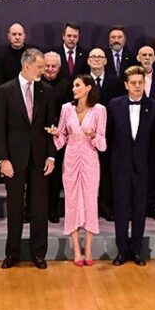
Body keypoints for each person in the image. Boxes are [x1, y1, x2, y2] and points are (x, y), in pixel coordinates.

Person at [0, 48, 56, 269]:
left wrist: (51, 156)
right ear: (27, 65)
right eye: (40, 66)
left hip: (40, 158)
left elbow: (51, 126)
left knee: (40, 208)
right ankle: (13, 253)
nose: (44, 70)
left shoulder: (46, 91)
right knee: (15, 208)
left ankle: (39, 253)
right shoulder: (5, 91)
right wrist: (3, 159)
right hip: (14, 159)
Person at [48, 75, 106, 266]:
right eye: (73, 85)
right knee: (72, 202)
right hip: (71, 160)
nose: (73, 88)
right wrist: (57, 133)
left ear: (88, 88)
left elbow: (103, 144)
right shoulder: (66, 108)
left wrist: (93, 136)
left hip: (90, 160)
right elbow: (63, 137)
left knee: (90, 202)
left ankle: (88, 248)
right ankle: (76, 249)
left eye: (78, 85)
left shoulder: (99, 110)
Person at [108, 66, 155, 267]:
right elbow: (110, 136)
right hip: (120, 167)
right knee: (120, 210)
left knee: (139, 211)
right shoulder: (114, 104)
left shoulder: (154, 105)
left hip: (144, 168)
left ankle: (136, 251)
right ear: (126, 85)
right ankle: (122, 251)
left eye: (140, 82)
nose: (137, 86)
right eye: (133, 83)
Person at [87, 47, 120, 221]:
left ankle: (106, 207)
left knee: (107, 173)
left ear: (106, 61)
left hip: (109, 135)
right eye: (93, 57)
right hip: (86, 136)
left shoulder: (115, 82)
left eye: (100, 57)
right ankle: (89, 207)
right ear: (88, 60)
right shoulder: (81, 81)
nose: (97, 59)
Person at [136, 45, 155, 221]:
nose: (147, 58)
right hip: (134, 132)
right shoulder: (130, 77)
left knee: (153, 171)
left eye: (150, 55)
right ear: (138, 58)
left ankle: (152, 205)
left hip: (154, 132)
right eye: (144, 55)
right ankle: (136, 206)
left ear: (154, 58)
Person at [42, 52, 72, 223]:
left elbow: (69, 112)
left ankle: (52, 209)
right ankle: (31, 209)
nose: (50, 69)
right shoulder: (36, 83)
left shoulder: (67, 86)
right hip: (39, 134)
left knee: (54, 176)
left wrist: (59, 130)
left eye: (54, 66)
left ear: (59, 68)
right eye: (47, 66)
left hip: (59, 136)